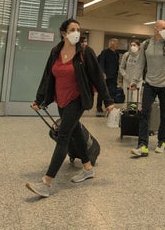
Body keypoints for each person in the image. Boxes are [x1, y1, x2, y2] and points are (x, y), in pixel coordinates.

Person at [27, 19, 115, 198]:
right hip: (61, 100)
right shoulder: (55, 52)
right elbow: (47, 77)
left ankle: (46, 182)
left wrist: (108, 100)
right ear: (63, 33)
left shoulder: (84, 52)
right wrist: (39, 99)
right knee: (74, 132)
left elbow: (98, 77)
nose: (76, 32)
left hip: (77, 100)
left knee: (63, 137)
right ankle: (88, 168)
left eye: (78, 29)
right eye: (72, 29)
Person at [130, 20, 165, 157]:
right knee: (144, 112)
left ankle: (162, 141)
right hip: (150, 84)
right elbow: (140, 64)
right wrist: (134, 81)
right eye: (163, 28)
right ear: (156, 29)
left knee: (164, 114)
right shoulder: (146, 44)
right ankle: (143, 145)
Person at [97, 38, 120, 115]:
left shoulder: (116, 54)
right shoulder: (105, 52)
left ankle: (109, 106)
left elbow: (117, 65)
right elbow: (101, 62)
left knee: (112, 92)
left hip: (113, 76)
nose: (117, 45)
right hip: (105, 76)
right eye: (116, 44)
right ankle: (99, 106)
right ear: (112, 44)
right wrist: (102, 72)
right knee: (102, 91)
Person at [119, 39, 142, 103]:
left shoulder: (142, 56)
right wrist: (125, 75)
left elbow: (143, 68)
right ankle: (127, 111)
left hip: (137, 81)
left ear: (139, 46)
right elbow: (121, 67)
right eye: (131, 45)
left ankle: (133, 111)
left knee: (135, 99)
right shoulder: (126, 55)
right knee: (127, 98)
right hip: (127, 80)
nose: (132, 47)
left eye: (134, 45)